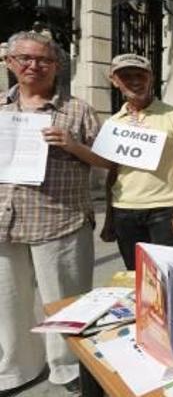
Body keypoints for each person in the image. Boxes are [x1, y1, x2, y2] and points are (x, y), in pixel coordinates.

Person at [0, 32, 107, 394]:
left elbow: (109, 162)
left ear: (56, 66)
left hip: (59, 221)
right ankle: (17, 368)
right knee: (8, 302)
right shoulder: (0, 107)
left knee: (65, 302)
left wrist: (74, 145)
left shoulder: (77, 109)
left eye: (43, 59)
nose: (34, 65)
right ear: (10, 63)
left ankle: (67, 366)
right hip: (5, 222)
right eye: (24, 58)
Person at [104, 53, 173, 270]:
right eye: (126, 76)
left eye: (140, 74)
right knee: (136, 276)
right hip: (124, 210)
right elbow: (112, 172)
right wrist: (109, 218)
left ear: (151, 78)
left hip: (164, 210)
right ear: (115, 81)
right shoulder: (113, 123)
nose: (134, 81)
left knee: (171, 275)